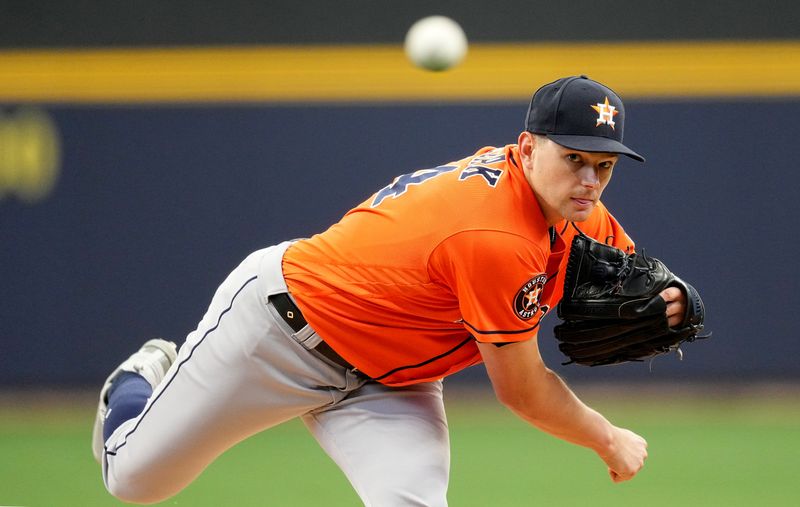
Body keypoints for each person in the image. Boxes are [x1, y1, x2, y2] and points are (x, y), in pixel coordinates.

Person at [92, 75, 686, 505]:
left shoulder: (577, 210)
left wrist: (671, 298)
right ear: (527, 149)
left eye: (603, 166)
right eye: (573, 158)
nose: (588, 180)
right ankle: (139, 380)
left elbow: (630, 271)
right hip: (282, 334)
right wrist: (608, 440)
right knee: (135, 481)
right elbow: (523, 391)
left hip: (392, 382)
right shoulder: (491, 234)